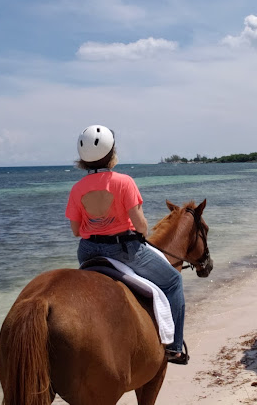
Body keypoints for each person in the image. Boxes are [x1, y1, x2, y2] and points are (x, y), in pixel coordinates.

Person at [65, 124, 189, 365]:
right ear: (112, 154)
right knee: (174, 281)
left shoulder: (77, 188)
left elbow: (75, 230)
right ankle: (174, 348)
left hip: (88, 252)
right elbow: (141, 226)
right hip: (124, 251)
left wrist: (97, 226)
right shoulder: (124, 182)